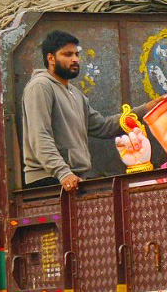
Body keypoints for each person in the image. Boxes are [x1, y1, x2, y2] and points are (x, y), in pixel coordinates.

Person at [22, 30, 149, 191]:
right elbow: (39, 136)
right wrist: (63, 173)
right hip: (49, 180)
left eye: (76, 54)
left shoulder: (75, 93)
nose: (75, 59)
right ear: (51, 58)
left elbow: (103, 126)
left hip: (73, 178)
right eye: (67, 54)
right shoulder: (40, 86)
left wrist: (147, 108)